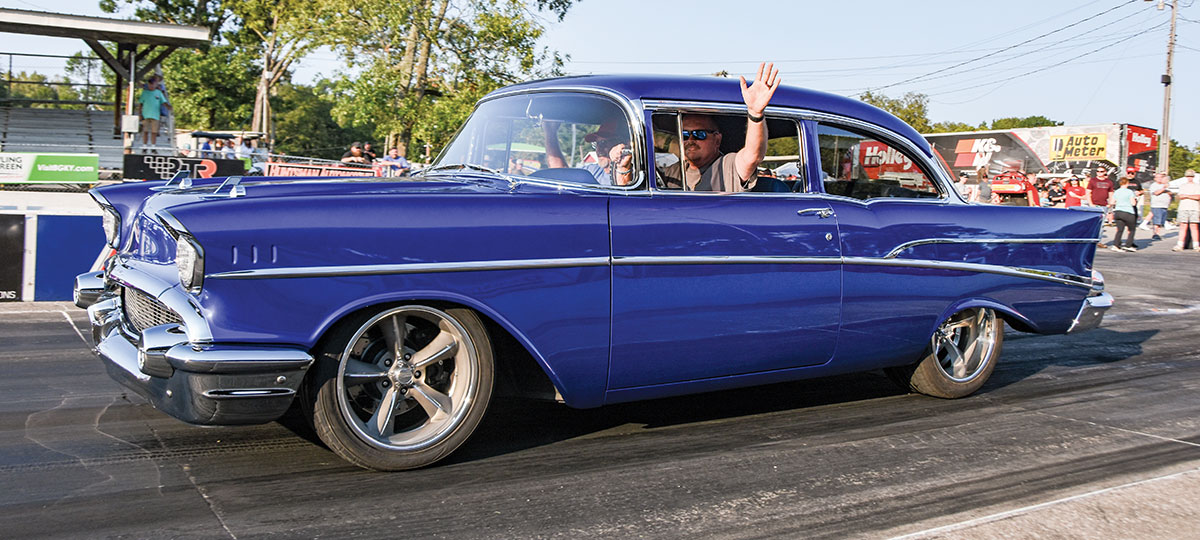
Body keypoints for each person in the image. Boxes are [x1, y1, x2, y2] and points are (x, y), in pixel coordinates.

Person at [658, 62, 782, 192]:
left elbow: (752, 156)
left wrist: (755, 114)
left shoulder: (727, 165)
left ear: (717, 139)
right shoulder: (673, 171)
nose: (690, 140)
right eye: (684, 134)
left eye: (699, 134)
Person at [544, 118, 634, 185]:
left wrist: (622, 166)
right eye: (596, 144)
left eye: (603, 142)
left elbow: (624, 202)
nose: (599, 149)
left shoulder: (635, 174)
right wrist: (550, 132)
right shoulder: (592, 171)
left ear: (621, 145)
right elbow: (561, 175)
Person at [138, 75, 171, 151]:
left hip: (155, 115)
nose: (151, 85)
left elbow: (163, 101)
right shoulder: (145, 92)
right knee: (145, 131)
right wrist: (140, 114)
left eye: (153, 83)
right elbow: (140, 104)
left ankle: (153, 146)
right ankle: (144, 146)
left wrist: (169, 107)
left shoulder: (158, 92)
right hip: (145, 115)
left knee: (154, 132)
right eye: (150, 83)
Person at [1108, 177, 1138, 252]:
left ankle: (1116, 245)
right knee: (1132, 229)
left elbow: (1112, 202)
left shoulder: (1116, 192)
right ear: (1127, 183)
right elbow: (1133, 203)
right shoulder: (1129, 192)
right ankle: (1128, 245)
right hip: (1128, 211)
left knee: (1120, 230)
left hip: (1118, 211)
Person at [1174, 169, 1200, 252]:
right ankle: (1180, 244)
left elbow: (1198, 197)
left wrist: (1187, 195)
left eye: (1191, 176)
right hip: (1183, 208)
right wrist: (1191, 196)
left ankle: (1196, 245)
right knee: (1183, 225)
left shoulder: (1197, 186)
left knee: (1194, 226)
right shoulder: (1183, 186)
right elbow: (1180, 196)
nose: (1190, 178)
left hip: (1194, 208)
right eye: (1188, 176)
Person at [1148, 172, 1172, 241]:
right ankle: (1155, 234)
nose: (1159, 179)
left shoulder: (1165, 185)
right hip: (1157, 205)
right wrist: (1164, 188)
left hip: (1164, 205)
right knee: (1157, 221)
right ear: (1155, 179)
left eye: (1161, 177)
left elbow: (1170, 192)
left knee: (1161, 221)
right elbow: (1156, 192)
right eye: (1158, 177)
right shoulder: (1154, 185)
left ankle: (1158, 233)